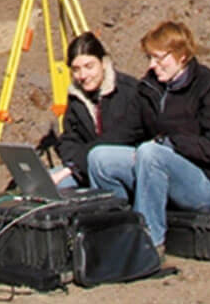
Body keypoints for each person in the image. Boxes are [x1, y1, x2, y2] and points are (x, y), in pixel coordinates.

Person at [83, 20, 210, 255]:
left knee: (151, 152)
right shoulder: (150, 87)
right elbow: (123, 132)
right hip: (160, 168)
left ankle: (149, 245)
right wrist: (75, 164)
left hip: (207, 182)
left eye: (159, 58)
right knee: (101, 157)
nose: (152, 65)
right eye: (149, 58)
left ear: (182, 55)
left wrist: (171, 143)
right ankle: (114, 234)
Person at [51, 31, 148, 190]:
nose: (83, 75)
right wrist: (74, 165)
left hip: (126, 167)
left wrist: (74, 166)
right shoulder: (76, 96)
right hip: (85, 166)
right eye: (76, 69)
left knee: (100, 161)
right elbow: (69, 138)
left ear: (103, 63)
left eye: (89, 66)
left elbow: (119, 138)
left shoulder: (129, 91)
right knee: (50, 183)